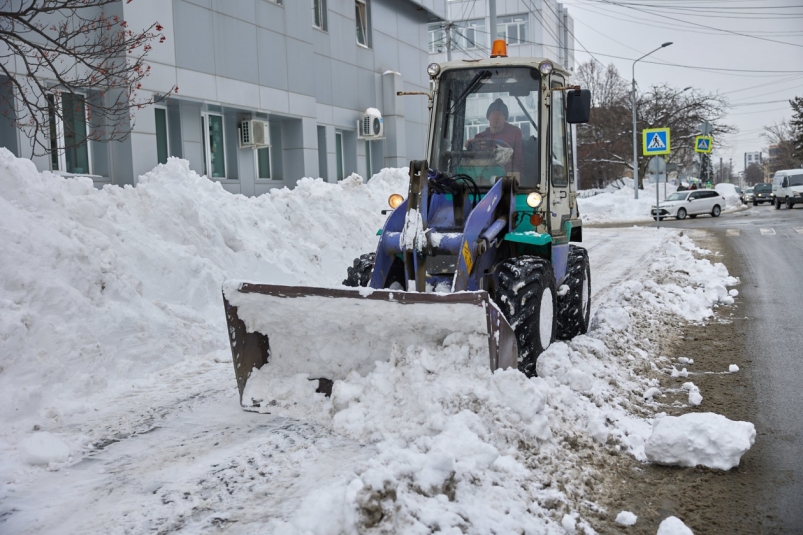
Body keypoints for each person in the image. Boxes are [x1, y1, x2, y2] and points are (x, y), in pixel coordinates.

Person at [467, 99, 523, 173]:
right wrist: (470, 145)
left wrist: (490, 143)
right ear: (488, 117)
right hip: (486, 172)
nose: (496, 117)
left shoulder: (514, 132)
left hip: (510, 173)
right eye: (493, 113)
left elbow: (507, 143)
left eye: (500, 114)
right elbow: (475, 153)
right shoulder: (480, 137)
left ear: (505, 118)